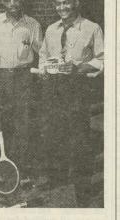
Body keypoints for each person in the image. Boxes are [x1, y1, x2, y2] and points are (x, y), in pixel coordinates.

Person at [38, 0, 104, 207]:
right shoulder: (51, 29)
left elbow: (103, 59)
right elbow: (43, 56)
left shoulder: (92, 28)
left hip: (78, 88)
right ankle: (57, 180)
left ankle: (82, 187)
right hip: (54, 89)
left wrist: (78, 68)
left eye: (66, 2)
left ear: (76, 3)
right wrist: (45, 71)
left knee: (79, 137)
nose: (62, 8)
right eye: (58, 4)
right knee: (54, 133)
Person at [0, 0, 43, 176]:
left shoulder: (32, 24)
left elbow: (42, 51)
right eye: (8, 0)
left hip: (23, 76)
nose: (13, 3)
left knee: (23, 121)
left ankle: (22, 167)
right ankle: (1, 166)